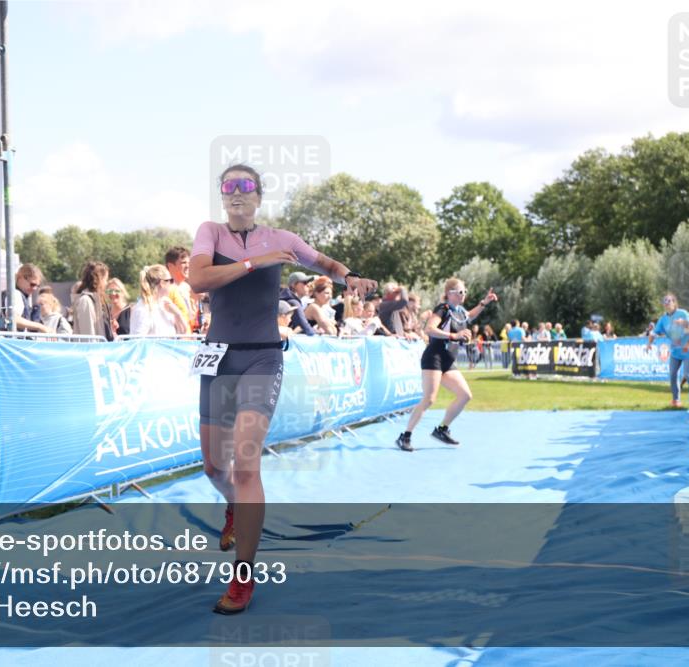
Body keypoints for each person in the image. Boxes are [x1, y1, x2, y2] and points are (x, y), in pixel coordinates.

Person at [188, 163, 376, 614]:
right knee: (215, 468)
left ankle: (242, 578)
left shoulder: (282, 237)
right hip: (218, 356)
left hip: (262, 356)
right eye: (228, 186)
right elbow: (197, 281)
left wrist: (348, 276)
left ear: (259, 195)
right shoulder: (210, 232)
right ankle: (234, 508)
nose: (236, 193)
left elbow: (324, 264)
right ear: (221, 195)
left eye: (245, 186)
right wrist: (255, 263)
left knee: (247, 466)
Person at [395, 279, 498, 452]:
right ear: (449, 293)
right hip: (434, 357)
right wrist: (454, 336)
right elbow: (429, 329)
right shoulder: (443, 309)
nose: (463, 295)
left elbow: (470, 315)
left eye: (465, 292)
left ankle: (442, 429)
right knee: (429, 399)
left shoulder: (459, 311)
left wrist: (484, 303)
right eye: (459, 292)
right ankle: (405, 435)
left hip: (448, 360)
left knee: (465, 395)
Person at [648, 292, 689, 408]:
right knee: (673, 374)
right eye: (665, 301)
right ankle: (676, 400)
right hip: (675, 352)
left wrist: (683, 323)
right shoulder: (663, 319)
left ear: (674, 303)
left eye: (669, 301)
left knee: (688, 375)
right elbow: (654, 332)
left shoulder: (682, 313)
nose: (667, 303)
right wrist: (649, 343)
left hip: (688, 350)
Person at [132, 264, 187, 336]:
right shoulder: (143, 309)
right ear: (162, 283)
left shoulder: (165, 304)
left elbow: (182, 332)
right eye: (171, 280)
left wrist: (177, 314)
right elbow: (137, 342)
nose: (173, 284)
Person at [5, 264, 53, 334]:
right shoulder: (16, 294)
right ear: (20, 278)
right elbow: (13, 318)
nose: (34, 288)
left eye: (37, 286)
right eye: (32, 284)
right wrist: (41, 327)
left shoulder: (21, 296)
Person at [72, 261, 114, 340]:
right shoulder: (85, 301)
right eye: (105, 279)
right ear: (99, 279)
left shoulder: (95, 300)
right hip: (92, 351)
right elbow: (88, 336)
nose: (106, 283)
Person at [166, 246, 201, 333]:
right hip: (173, 341)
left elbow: (190, 318)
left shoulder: (188, 288)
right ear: (170, 266)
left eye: (189, 262)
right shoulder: (165, 290)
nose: (188, 266)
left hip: (189, 340)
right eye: (183, 263)